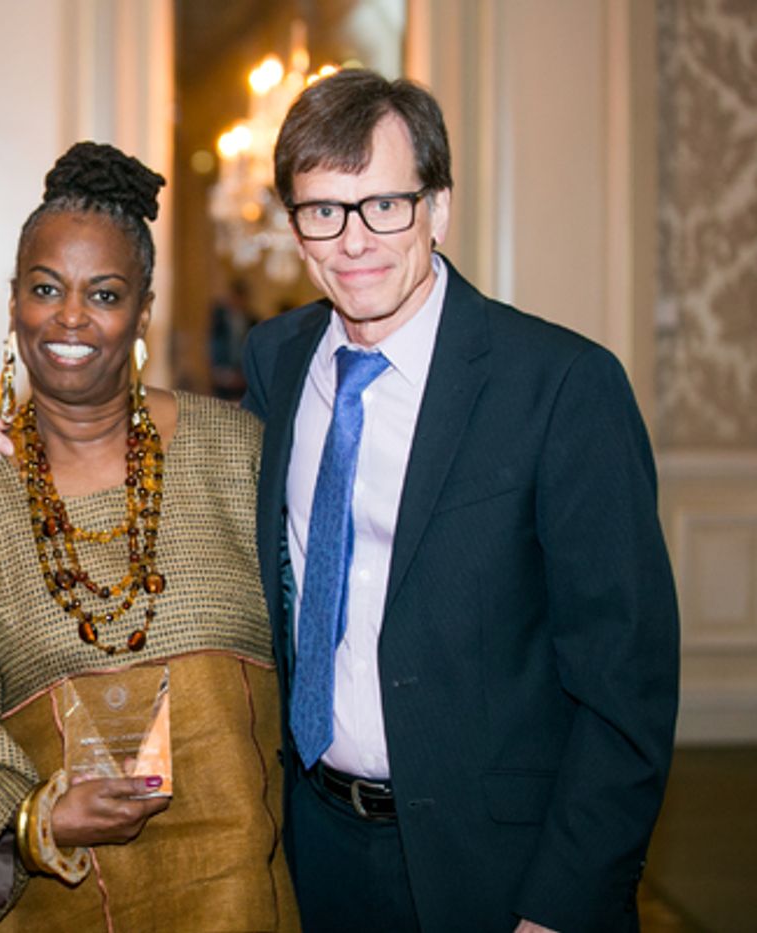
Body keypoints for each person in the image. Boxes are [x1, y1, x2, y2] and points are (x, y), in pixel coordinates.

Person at [241, 68, 679, 932]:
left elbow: (626, 687)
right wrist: (15, 444)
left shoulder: (561, 387)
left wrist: (561, 904)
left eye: (385, 205)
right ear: (295, 229)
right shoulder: (277, 360)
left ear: (438, 208)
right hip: (314, 850)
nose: (354, 239)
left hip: (501, 871)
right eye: (323, 210)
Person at [0, 142, 296, 931]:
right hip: (62, 903)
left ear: (143, 311)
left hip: (238, 892)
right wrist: (37, 821)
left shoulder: (237, 451)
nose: (71, 318)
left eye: (106, 292)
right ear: (13, 299)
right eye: (46, 288)